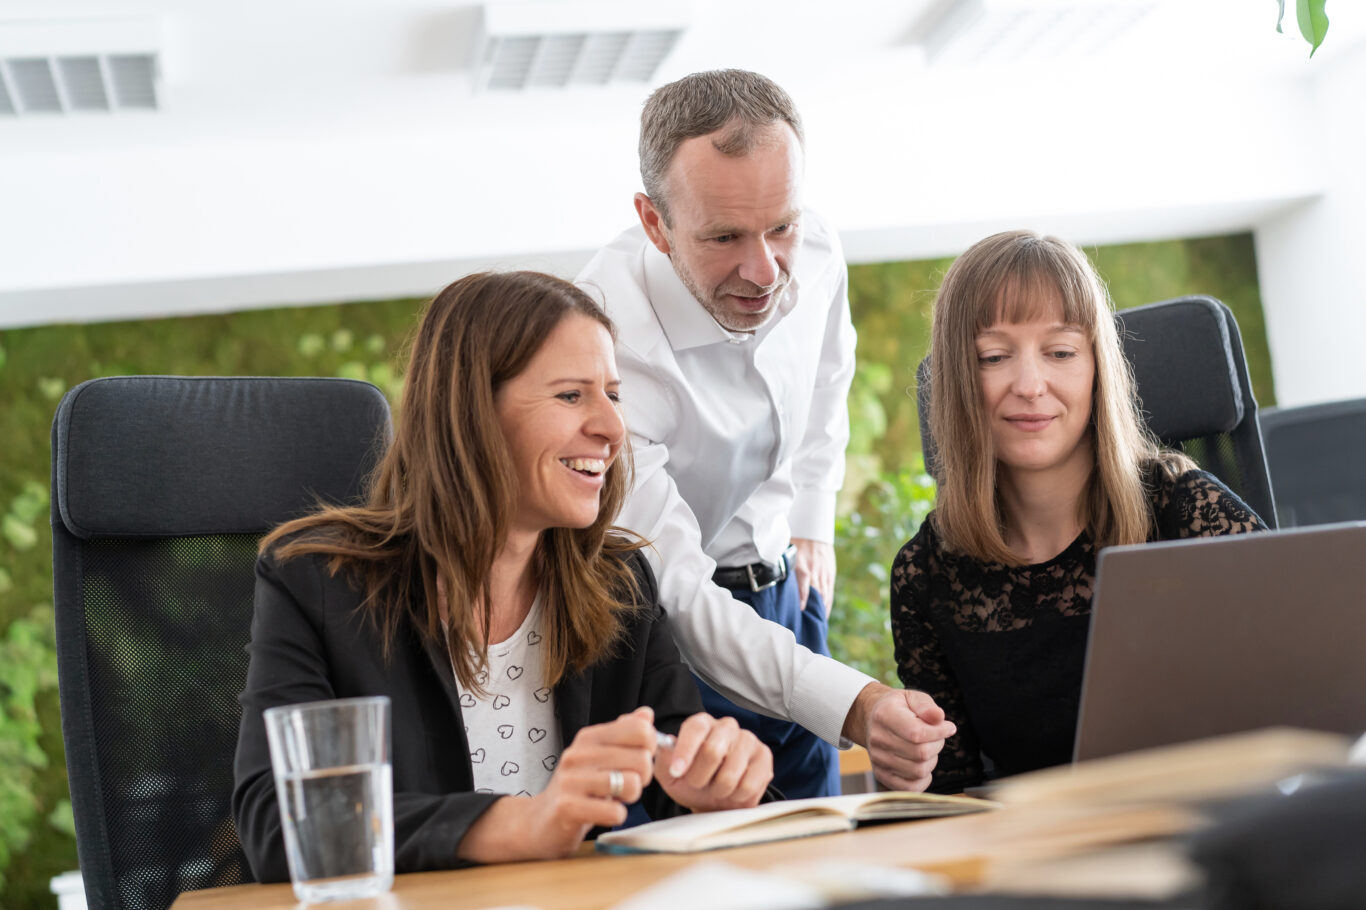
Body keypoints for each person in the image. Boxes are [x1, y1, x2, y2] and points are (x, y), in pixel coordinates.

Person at [233, 271, 773, 878]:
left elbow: (681, 764)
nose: (613, 428)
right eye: (571, 396)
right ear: (471, 413)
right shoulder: (318, 583)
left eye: (613, 394)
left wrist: (718, 784)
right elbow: (278, 821)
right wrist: (527, 822)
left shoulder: (619, 585)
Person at [578, 69, 955, 800]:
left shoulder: (816, 249)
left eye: (781, 226)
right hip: (665, 631)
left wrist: (812, 518)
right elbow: (678, 590)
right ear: (654, 224)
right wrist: (857, 703)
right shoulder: (604, 345)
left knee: (820, 830)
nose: (764, 270)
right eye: (724, 237)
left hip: (788, 589)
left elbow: (828, 379)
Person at [890, 229, 1267, 793]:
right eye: (994, 357)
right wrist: (906, 768)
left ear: (1097, 369)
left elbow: (1302, 686)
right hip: (1041, 841)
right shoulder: (926, 576)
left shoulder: (1188, 512)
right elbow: (950, 795)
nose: (1030, 385)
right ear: (956, 381)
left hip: (1210, 823)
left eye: (1061, 352)